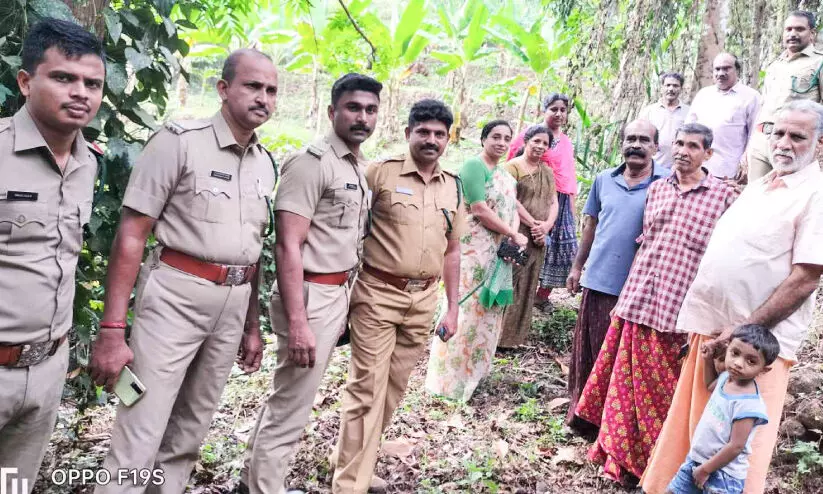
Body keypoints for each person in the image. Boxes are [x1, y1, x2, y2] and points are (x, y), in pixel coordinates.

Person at [89, 49, 278, 493]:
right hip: (175, 297)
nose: (263, 98)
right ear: (224, 88)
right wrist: (113, 329)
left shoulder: (264, 162)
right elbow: (132, 234)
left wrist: (252, 326)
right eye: (253, 86)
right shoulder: (179, 142)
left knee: (189, 432)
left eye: (271, 90)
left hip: (232, 307)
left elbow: (252, 251)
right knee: (140, 429)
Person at [641, 100, 823, 494]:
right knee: (695, 433)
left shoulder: (815, 195)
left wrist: (743, 331)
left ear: (820, 144)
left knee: (738, 451)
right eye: (777, 132)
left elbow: (806, 277)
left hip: (754, 348)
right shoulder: (760, 185)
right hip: (713, 332)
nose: (784, 142)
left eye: (797, 136)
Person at [239, 73, 381, 494]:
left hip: (334, 292)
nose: (362, 117)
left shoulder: (356, 166)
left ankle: (251, 481)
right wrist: (299, 322)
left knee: (289, 394)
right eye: (353, 108)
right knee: (293, 404)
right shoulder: (311, 163)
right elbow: (288, 245)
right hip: (308, 294)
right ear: (332, 110)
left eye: (370, 110)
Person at [574, 123, 738, 485]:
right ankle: (617, 461)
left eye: (693, 146)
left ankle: (654, 465)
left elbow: (725, 260)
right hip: (638, 302)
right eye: (679, 144)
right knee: (623, 388)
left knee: (664, 394)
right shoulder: (658, 189)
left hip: (679, 314)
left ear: (708, 154)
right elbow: (644, 242)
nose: (683, 151)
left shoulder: (723, 197)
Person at [331, 99, 466, 493]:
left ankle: (349, 460)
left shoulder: (453, 186)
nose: (431, 140)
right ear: (408, 133)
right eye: (423, 132)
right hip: (377, 294)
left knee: (391, 390)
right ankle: (349, 485)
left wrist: (452, 307)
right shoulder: (380, 173)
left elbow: (453, 250)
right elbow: (348, 229)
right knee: (366, 389)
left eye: (439, 134)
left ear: (448, 139)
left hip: (423, 301)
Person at [0, 18, 105, 493]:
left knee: (12, 485)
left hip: (46, 368)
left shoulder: (88, 163)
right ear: (26, 82)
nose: (80, 92)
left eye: (92, 83)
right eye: (63, 78)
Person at [564, 120, 670, 435]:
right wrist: (577, 266)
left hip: (640, 288)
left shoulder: (666, 183)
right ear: (622, 143)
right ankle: (582, 417)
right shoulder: (603, 180)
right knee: (590, 353)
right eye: (630, 139)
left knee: (622, 361)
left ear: (656, 147)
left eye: (644, 140)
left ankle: (613, 427)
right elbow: (591, 225)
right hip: (599, 279)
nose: (636, 145)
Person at [423, 120, 525, 399]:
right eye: (495, 137)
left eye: (506, 138)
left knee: (488, 311)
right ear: (483, 139)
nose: (501, 143)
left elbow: (512, 209)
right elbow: (479, 209)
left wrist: (513, 236)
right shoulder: (473, 167)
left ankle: (474, 376)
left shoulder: (505, 175)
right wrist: (512, 234)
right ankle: (447, 382)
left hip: (498, 253)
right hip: (473, 251)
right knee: (465, 309)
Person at [666, 325, 777, 494]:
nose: (738, 363)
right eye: (735, 353)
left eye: (751, 361)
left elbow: (736, 446)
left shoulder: (748, 404)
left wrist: (705, 470)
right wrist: (707, 360)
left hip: (724, 475)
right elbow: (710, 385)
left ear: (764, 369)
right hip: (697, 460)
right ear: (728, 348)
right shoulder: (726, 378)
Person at [508, 93, 578, 309]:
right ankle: (514, 293)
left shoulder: (565, 141)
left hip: (561, 200)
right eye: (553, 109)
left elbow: (568, 172)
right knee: (526, 243)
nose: (558, 114)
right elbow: (513, 162)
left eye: (563, 110)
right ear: (543, 110)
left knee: (562, 250)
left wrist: (572, 204)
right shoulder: (531, 134)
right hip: (532, 197)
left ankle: (541, 295)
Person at [498, 125, 558, 348]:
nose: (540, 146)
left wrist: (546, 226)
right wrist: (533, 224)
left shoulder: (547, 171)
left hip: (538, 238)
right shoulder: (511, 167)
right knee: (509, 280)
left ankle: (513, 339)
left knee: (528, 283)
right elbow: (511, 200)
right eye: (536, 141)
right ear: (526, 141)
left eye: (545, 143)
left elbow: (553, 202)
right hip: (516, 234)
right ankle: (497, 336)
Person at [747, 11, 823, 182]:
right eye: (788, 29)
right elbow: (763, 107)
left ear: (812, 33)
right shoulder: (774, 65)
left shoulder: (819, 63)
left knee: (790, 192)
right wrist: (750, 145)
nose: (792, 34)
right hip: (762, 141)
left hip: (794, 143)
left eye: (799, 29)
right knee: (756, 191)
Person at [686, 53, 761, 179]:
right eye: (717, 69)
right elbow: (688, 128)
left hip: (728, 170)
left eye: (726, 68)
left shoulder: (751, 97)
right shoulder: (704, 95)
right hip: (697, 167)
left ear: (737, 70)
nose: (721, 73)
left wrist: (746, 159)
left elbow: (755, 133)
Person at [638, 72, 690, 168]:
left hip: (679, 167)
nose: (671, 89)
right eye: (668, 85)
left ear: (681, 89)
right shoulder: (649, 111)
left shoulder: (688, 112)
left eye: (675, 86)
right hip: (652, 166)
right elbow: (639, 138)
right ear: (662, 87)